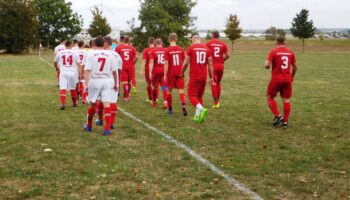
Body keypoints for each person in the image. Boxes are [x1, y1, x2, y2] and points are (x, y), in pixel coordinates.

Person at [83, 37, 119, 136]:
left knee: (92, 104)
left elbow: (87, 70)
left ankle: (89, 126)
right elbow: (114, 71)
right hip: (107, 81)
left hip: (95, 80)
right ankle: (107, 128)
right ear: (103, 44)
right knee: (106, 104)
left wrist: (86, 84)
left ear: (94, 43)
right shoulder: (110, 54)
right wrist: (116, 83)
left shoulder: (91, 54)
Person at [265, 36, 297, 129]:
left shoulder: (273, 51)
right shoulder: (290, 52)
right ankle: (285, 122)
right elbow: (295, 67)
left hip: (276, 78)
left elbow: (267, 65)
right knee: (286, 100)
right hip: (287, 79)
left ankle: (278, 116)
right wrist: (291, 77)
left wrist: (267, 65)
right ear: (284, 42)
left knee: (270, 97)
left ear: (276, 42)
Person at [182, 35, 213, 123]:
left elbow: (185, 63)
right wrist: (211, 77)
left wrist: (182, 72)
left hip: (195, 76)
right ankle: (197, 116)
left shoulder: (191, 48)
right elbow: (210, 64)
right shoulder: (207, 49)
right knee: (199, 96)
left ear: (193, 39)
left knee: (191, 96)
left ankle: (202, 109)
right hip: (204, 76)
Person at [54, 40, 82, 110]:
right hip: (72, 72)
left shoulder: (60, 52)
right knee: (72, 88)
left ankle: (63, 104)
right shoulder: (75, 53)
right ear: (71, 45)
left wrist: (57, 68)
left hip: (63, 72)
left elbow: (55, 62)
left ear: (65, 45)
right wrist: (80, 74)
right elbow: (79, 64)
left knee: (63, 88)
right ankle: (74, 102)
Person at [164, 33, 187, 116]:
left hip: (171, 73)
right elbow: (184, 61)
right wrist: (183, 71)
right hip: (179, 72)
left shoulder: (167, 50)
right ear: (176, 39)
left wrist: (165, 75)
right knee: (180, 90)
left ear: (169, 39)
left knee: (169, 90)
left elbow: (166, 63)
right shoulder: (181, 49)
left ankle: (170, 109)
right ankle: (183, 105)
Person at [206, 31, 229, 108]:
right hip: (221, 65)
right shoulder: (223, 44)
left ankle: (216, 103)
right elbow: (227, 55)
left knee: (213, 83)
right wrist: (222, 60)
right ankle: (218, 100)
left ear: (213, 35)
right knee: (218, 82)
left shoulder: (209, 43)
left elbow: (205, 53)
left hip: (212, 66)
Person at [115, 37, 138, 102]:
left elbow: (115, 57)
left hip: (122, 66)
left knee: (124, 81)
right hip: (130, 66)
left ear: (122, 41)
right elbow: (136, 57)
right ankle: (129, 91)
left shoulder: (118, 47)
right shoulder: (132, 48)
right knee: (129, 81)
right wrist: (133, 63)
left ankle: (127, 96)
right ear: (129, 41)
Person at [149, 38, 168, 108]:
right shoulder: (166, 50)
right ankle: (165, 102)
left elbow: (151, 62)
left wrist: (150, 72)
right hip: (164, 70)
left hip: (156, 70)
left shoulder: (153, 51)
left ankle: (154, 102)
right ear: (162, 43)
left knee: (154, 86)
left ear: (155, 44)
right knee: (164, 87)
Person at [141, 37, 155, 102]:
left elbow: (144, 61)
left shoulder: (146, 50)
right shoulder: (157, 49)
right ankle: (156, 98)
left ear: (148, 42)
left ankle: (150, 98)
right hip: (156, 68)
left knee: (149, 84)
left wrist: (142, 70)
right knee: (155, 84)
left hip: (148, 69)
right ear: (154, 42)